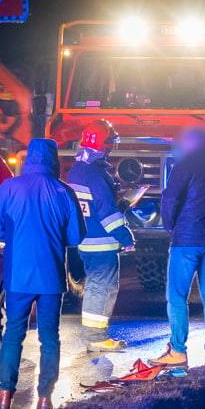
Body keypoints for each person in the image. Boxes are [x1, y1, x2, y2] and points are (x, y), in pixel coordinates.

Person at [0, 139, 86, 409]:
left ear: (28, 159)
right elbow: (76, 237)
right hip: (51, 277)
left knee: (13, 334)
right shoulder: (63, 191)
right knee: (49, 337)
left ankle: (5, 394)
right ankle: (45, 397)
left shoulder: (9, 188)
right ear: (54, 160)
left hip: (18, 275)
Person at [150, 127, 205, 368]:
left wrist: (170, 227)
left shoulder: (182, 166)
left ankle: (178, 350)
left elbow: (170, 199)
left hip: (186, 239)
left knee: (176, 296)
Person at [66, 120, 135, 351]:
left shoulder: (77, 171)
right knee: (102, 288)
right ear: (103, 146)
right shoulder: (96, 174)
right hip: (103, 243)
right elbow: (107, 213)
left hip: (86, 241)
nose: (112, 149)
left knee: (95, 286)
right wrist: (126, 237)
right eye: (110, 144)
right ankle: (96, 338)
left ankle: (93, 336)